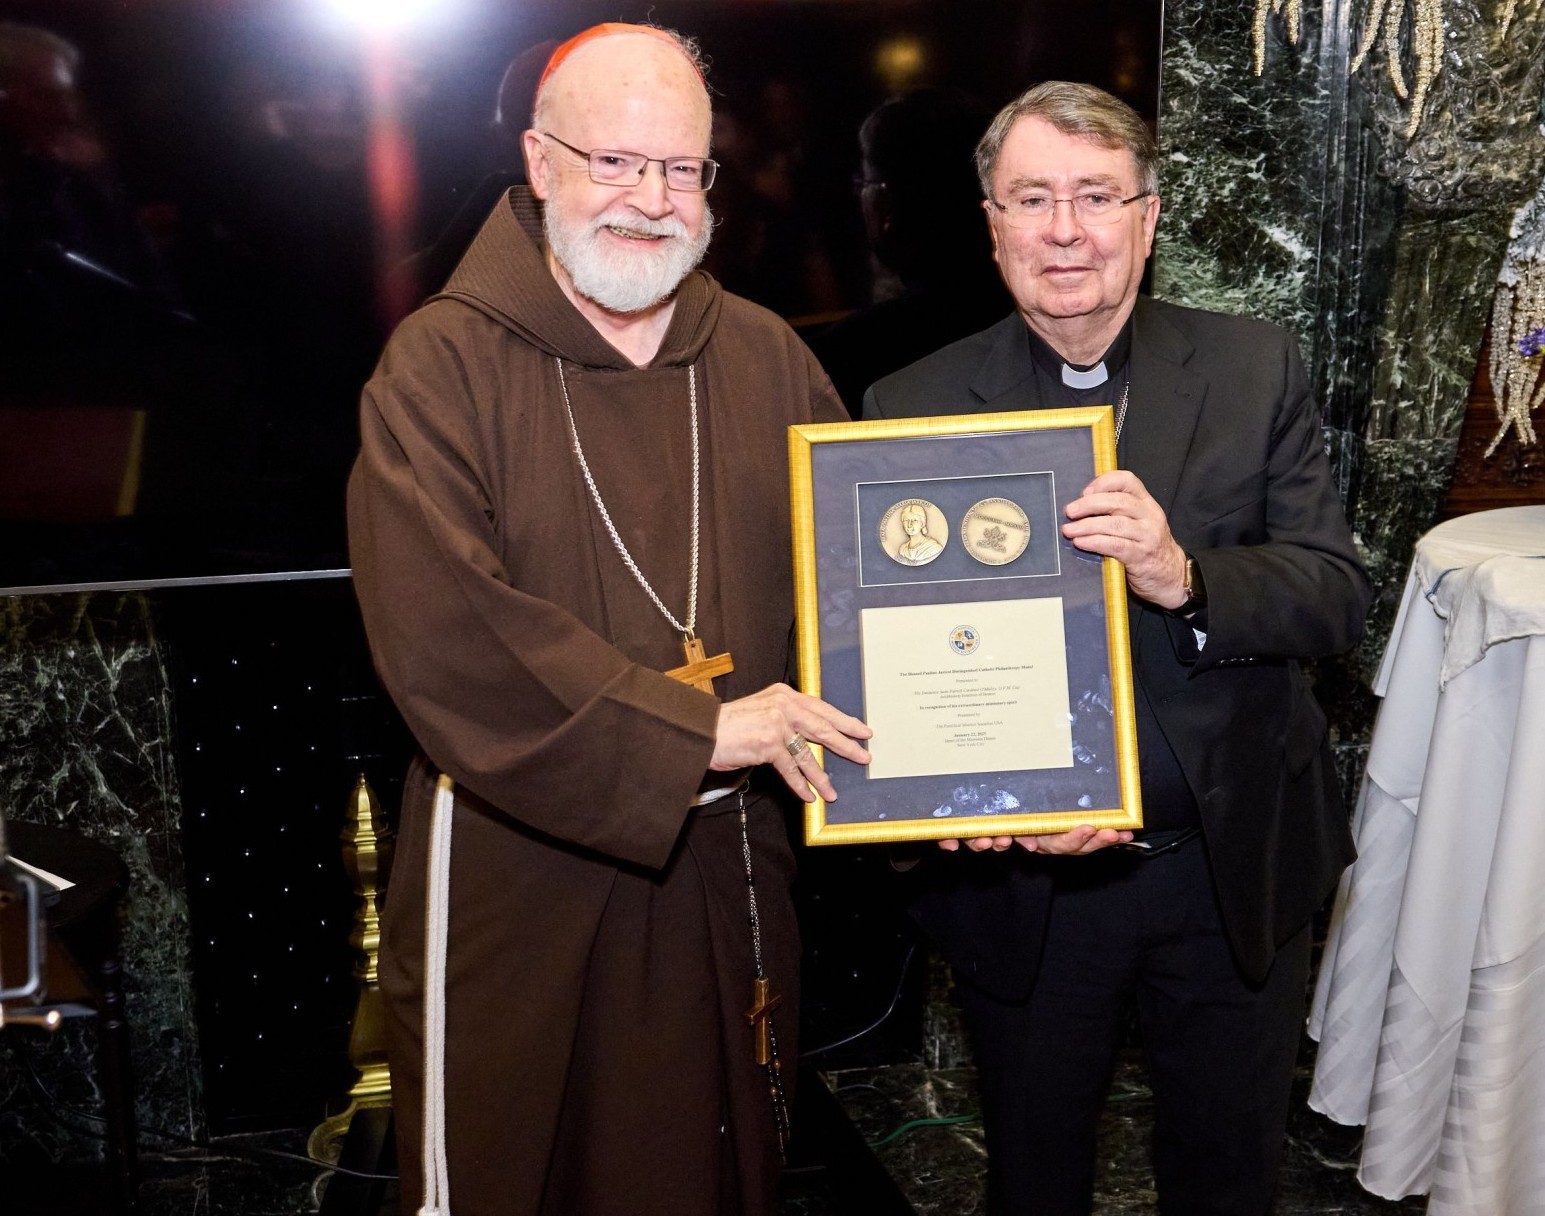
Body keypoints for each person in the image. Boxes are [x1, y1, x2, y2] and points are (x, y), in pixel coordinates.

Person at [346, 24, 870, 1216]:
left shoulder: (763, 357)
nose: (651, 199)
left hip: (731, 866)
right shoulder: (441, 366)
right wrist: (699, 733)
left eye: (682, 169)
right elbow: (446, 635)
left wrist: (966, 767)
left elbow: (868, 596)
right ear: (539, 162)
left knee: (716, 1163)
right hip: (517, 877)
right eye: (614, 162)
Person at [864, 81, 1371, 1215]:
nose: (1065, 229)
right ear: (990, 222)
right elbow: (884, 667)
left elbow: (1335, 595)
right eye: (1032, 197)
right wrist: (984, 795)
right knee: (1035, 1181)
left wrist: (1183, 575)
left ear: (1148, 217)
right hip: (1030, 890)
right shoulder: (910, 400)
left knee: (1227, 1177)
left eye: (1096, 196)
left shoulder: (1253, 368)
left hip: (1225, 869)